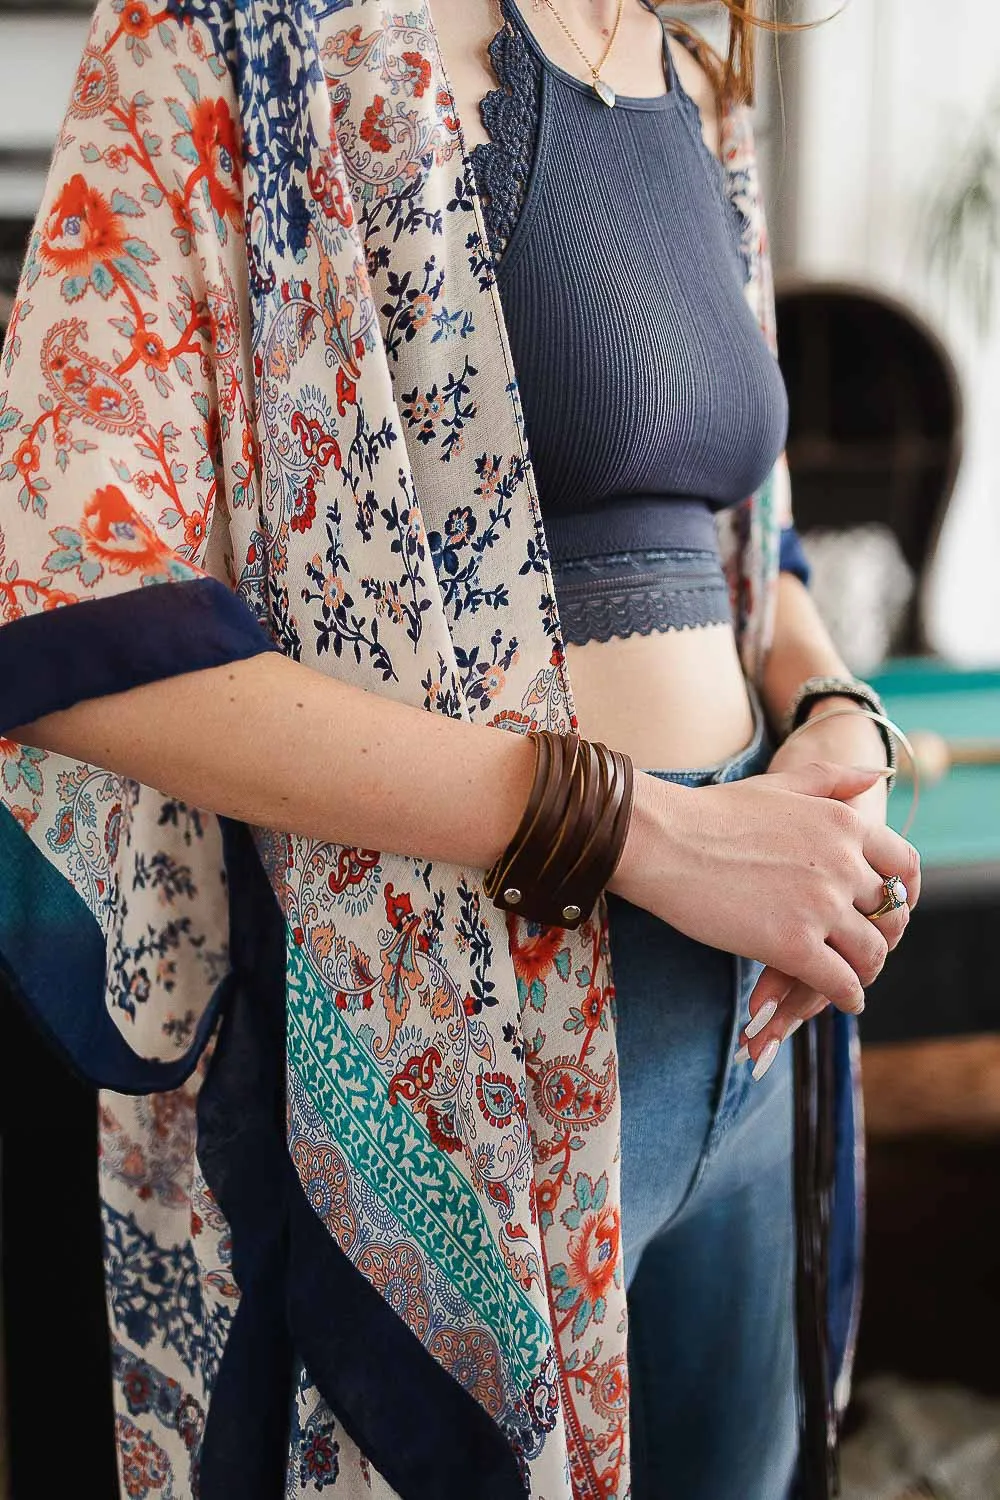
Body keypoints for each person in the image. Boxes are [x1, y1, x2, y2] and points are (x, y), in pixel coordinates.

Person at [0, 1, 919, 1497]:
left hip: (755, 1010)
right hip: (464, 1040)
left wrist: (832, 713)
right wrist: (641, 833)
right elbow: (59, 615)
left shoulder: (692, 80)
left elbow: (755, 541)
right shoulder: (231, 43)